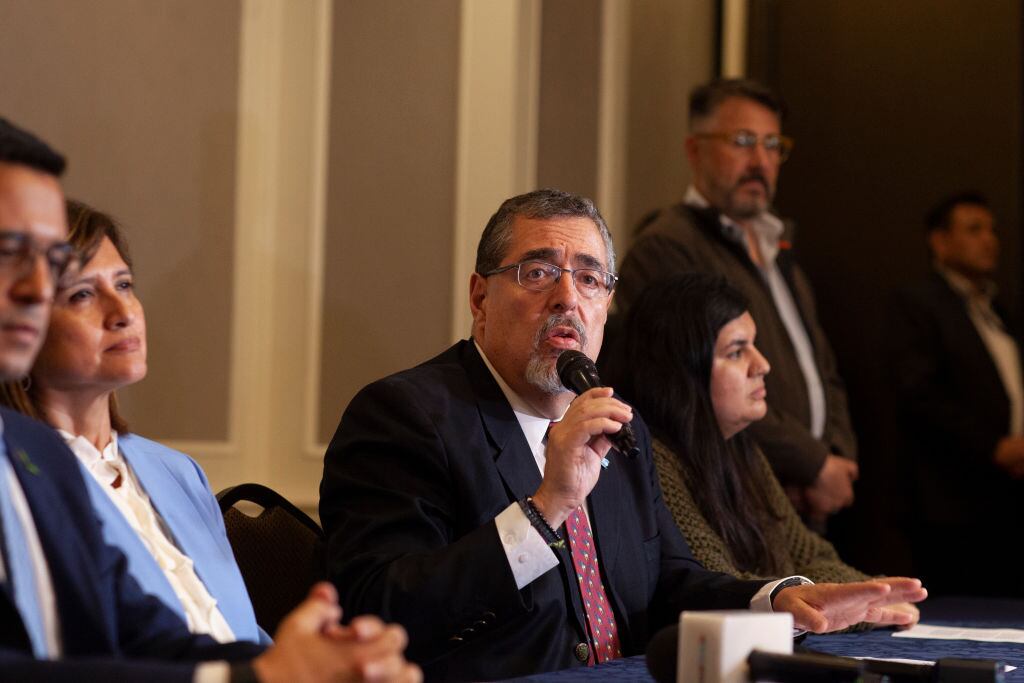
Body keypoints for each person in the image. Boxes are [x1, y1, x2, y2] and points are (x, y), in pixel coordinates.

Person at [320, 188, 926, 682]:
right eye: (538, 273)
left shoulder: (614, 425)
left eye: (590, 280)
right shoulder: (404, 415)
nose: (567, 299)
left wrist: (776, 602)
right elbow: (380, 610)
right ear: (481, 297)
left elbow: (668, 585)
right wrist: (545, 509)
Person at [0, 116, 420, 682]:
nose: (31, 289)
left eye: (48, 264)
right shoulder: (50, 453)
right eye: (9, 253)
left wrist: (310, 665)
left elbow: (143, 627)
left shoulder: (35, 454)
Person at [0, 199, 266, 644]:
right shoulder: (13, 478)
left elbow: (242, 638)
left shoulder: (177, 472)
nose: (122, 311)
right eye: (82, 294)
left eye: (124, 284)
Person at [614, 78, 858, 526]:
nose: (760, 161)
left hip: (804, 505)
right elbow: (693, 386)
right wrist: (812, 464)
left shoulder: (778, 253)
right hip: (732, 504)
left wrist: (836, 455)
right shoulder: (666, 248)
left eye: (771, 145)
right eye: (743, 142)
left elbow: (824, 371)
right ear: (695, 150)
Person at [610, 273, 918, 624]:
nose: (762, 365)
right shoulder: (656, 461)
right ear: (682, 370)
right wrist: (854, 603)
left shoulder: (743, 451)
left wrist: (866, 594)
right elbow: (722, 589)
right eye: (737, 351)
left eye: (754, 346)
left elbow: (811, 555)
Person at [889, 192, 1024, 597]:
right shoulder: (918, 303)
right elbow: (919, 393)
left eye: (992, 230)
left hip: (1007, 495)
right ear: (940, 241)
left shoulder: (998, 308)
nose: (989, 240)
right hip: (950, 499)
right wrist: (994, 446)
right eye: (974, 229)